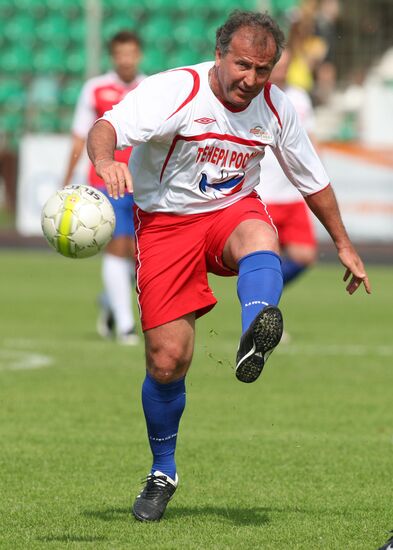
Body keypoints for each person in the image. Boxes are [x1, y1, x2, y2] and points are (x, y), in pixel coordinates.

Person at [86, 10, 371, 522]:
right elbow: (106, 127)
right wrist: (107, 162)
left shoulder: (275, 107)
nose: (251, 79)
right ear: (219, 56)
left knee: (262, 234)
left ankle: (252, 335)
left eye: (263, 69)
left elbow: (312, 178)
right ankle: (163, 470)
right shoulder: (176, 90)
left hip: (229, 212)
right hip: (166, 224)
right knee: (167, 361)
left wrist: (344, 243)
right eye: (242, 65)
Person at [63, 30, 145, 345]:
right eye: (120, 53)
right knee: (117, 247)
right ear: (114, 56)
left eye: (131, 53)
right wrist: (68, 179)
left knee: (138, 256)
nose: (126, 59)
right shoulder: (95, 88)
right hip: (106, 182)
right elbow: (80, 136)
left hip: (142, 183)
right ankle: (125, 326)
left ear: (138, 55)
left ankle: (111, 302)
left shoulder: (148, 88)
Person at [256, 48, 318, 297]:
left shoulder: (299, 97)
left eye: (286, 64)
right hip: (263, 193)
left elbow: (310, 138)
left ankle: (261, 297)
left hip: (292, 194)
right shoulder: (255, 97)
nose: (282, 69)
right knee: (266, 259)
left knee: (305, 255)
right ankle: (261, 309)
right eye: (278, 64)